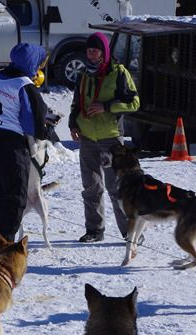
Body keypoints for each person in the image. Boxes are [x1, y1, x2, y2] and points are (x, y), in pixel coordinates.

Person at [69, 32, 140, 243]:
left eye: (95, 50)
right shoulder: (83, 74)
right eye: (88, 50)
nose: (91, 54)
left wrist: (106, 107)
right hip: (88, 138)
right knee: (91, 187)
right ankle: (94, 230)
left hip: (112, 139)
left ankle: (130, 232)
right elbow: (76, 103)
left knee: (117, 188)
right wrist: (73, 124)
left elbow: (134, 103)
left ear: (104, 52)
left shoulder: (119, 73)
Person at [0, 42, 48, 253]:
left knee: (3, 194)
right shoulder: (24, 85)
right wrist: (44, 133)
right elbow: (34, 120)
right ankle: (6, 246)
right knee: (16, 197)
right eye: (39, 63)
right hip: (10, 143)